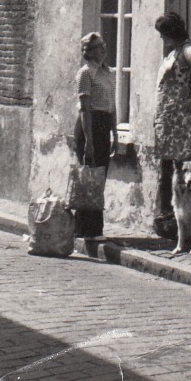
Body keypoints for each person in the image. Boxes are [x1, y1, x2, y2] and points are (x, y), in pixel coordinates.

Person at [153, 11, 191, 241]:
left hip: (181, 122)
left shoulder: (187, 49)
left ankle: (182, 224)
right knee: (168, 169)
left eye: (163, 33)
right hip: (171, 122)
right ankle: (170, 219)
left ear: (171, 32)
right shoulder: (174, 51)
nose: (161, 38)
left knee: (180, 169)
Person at [73, 31, 118, 239]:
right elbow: (85, 109)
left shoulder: (108, 73)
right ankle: (86, 229)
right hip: (89, 127)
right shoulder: (86, 73)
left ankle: (92, 228)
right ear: (90, 52)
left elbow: (112, 105)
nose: (104, 49)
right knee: (88, 178)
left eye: (104, 45)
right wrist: (89, 141)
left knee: (99, 179)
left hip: (104, 126)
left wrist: (115, 133)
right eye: (100, 47)